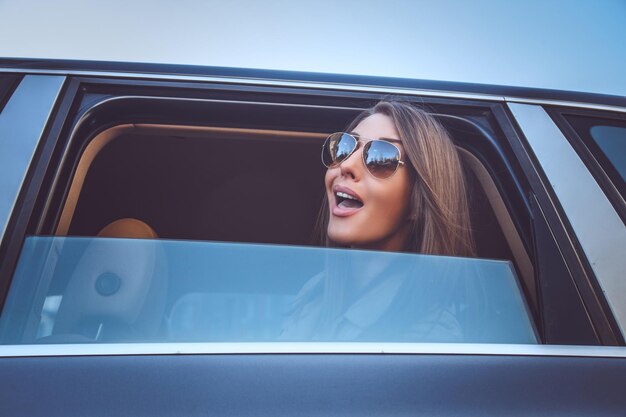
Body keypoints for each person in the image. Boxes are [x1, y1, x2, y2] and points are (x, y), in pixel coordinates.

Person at [281, 100, 478, 342]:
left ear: (417, 201)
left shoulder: (432, 334)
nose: (346, 165)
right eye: (344, 147)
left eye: (380, 157)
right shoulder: (313, 294)